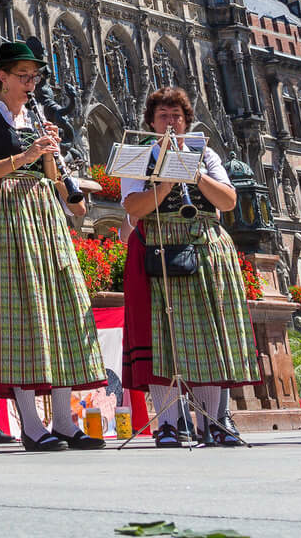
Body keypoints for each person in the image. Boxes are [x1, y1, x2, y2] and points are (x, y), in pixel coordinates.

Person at [0, 40, 106, 452]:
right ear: (2, 77)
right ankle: (31, 424)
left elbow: (51, 175)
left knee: (59, 310)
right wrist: (25, 154)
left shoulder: (35, 117)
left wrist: (51, 157)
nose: (31, 83)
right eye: (23, 76)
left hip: (43, 211)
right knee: (20, 316)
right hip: (8, 211)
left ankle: (64, 422)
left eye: (34, 76)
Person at [121, 85, 254, 447]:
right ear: (150, 121)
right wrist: (164, 186)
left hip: (204, 242)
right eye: (163, 116)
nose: (170, 122)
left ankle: (216, 419)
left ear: (187, 121)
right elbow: (133, 209)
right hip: (157, 245)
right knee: (160, 335)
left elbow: (227, 202)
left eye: (177, 116)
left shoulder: (205, 153)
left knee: (210, 333)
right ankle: (167, 422)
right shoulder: (136, 155)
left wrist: (194, 173)